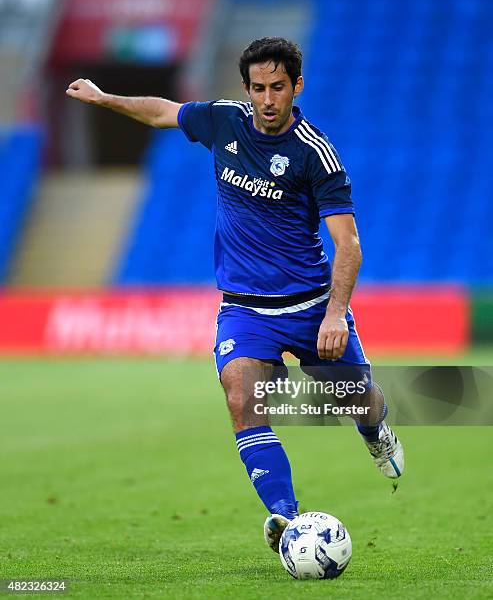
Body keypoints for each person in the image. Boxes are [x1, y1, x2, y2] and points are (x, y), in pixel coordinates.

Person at [67, 36, 404, 553]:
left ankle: (376, 429)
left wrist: (336, 313)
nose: (267, 100)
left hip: (312, 307)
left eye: (278, 88)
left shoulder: (316, 155)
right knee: (242, 397)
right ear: (246, 88)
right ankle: (287, 520)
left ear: (297, 87)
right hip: (245, 309)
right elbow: (163, 112)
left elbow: (348, 244)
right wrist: (106, 97)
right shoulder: (224, 121)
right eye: (258, 89)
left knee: (361, 400)